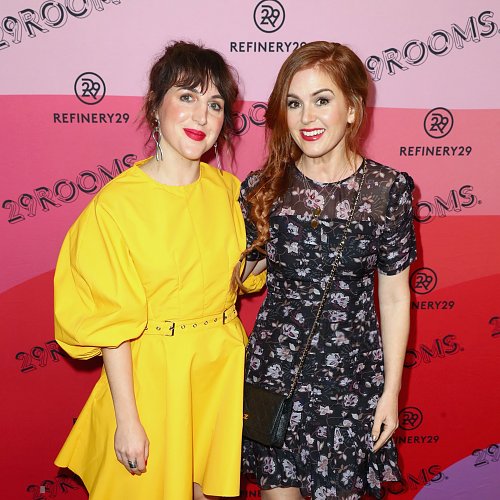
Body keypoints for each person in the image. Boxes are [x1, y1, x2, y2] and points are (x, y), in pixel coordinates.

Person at [54, 41, 265, 500]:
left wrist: (286, 234)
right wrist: (127, 420)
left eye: (215, 105)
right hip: (152, 376)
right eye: (187, 96)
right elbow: (110, 324)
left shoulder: (232, 192)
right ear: (156, 105)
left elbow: (247, 275)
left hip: (222, 368)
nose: (201, 116)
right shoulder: (117, 205)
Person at [237, 41, 417, 499]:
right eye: (294, 103)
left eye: (322, 100)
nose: (306, 118)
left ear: (352, 108)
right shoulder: (262, 189)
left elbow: (395, 296)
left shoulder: (386, 190)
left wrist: (391, 392)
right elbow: (233, 277)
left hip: (350, 381)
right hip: (274, 373)